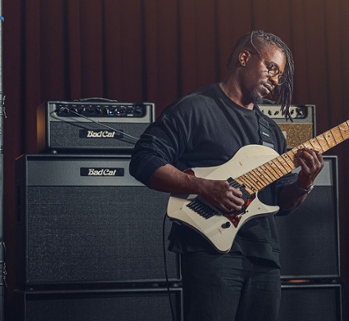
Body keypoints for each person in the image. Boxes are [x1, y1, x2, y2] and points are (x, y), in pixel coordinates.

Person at [129, 30, 324, 321]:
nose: (275, 80)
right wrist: (206, 187)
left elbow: (281, 203)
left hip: (264, 256)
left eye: (280, 76)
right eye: (271, 68)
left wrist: (304, 183)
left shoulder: (270, 130)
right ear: (244, 57)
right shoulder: (195, 108)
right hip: (210, 252)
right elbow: (143, 160)